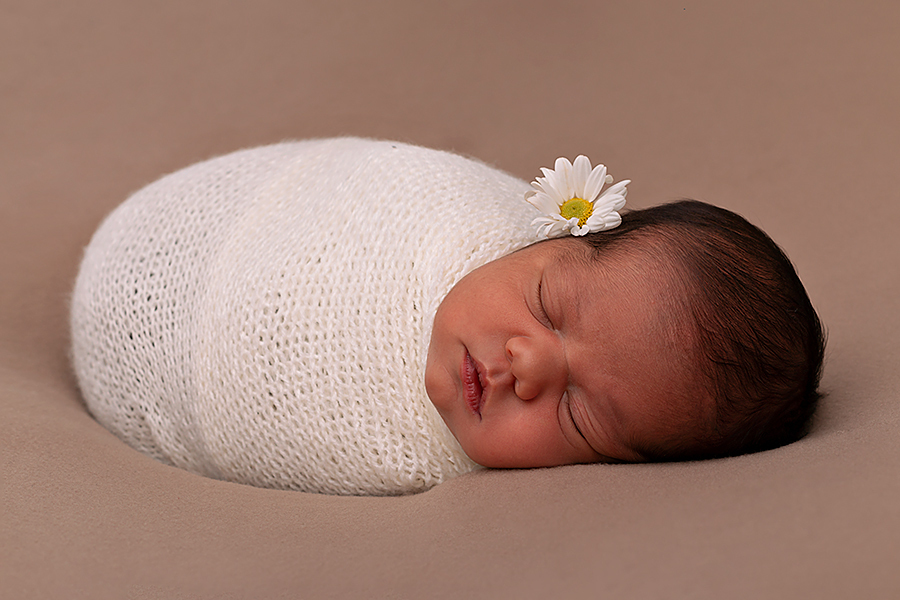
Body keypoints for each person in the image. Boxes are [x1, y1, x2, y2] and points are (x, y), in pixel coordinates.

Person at [70, 138, 824, 495]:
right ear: (555, 235)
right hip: (187, 232)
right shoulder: (446, 218)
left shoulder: (418, 467)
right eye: (549, 308)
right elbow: (343, 178)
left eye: (580, 415)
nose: (529, 366)